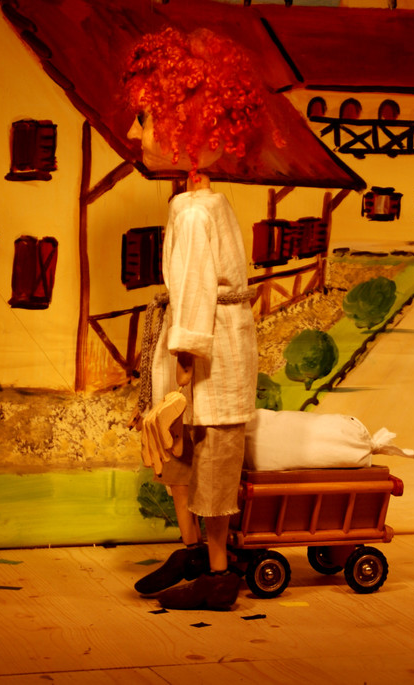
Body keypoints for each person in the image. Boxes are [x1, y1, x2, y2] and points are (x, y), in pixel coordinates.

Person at [124, 26, 264, 611]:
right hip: (210, 343)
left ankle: (217, 571)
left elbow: (195, 288)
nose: (134, 132)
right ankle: (192, 552)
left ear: (184, 127)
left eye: (144, 118)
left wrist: (184, 358)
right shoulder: (203, 202)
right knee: (184, 452)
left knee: (207, 456)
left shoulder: (193, 212)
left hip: (205, 352)